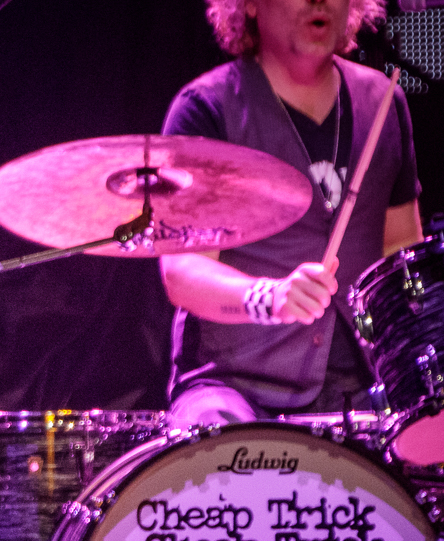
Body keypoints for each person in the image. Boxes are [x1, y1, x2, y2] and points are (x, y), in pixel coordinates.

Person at [160, 0, 423, 428]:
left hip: (363, 386)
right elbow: (182, 272)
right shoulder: (207, 108)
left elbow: (401, 252)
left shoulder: (384, 102)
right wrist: (271, 297)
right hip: (234, 387)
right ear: (247, 7)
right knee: (219, 460)